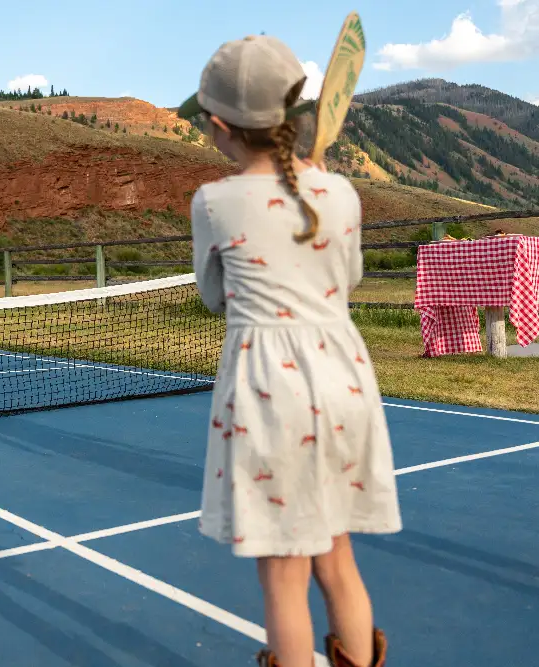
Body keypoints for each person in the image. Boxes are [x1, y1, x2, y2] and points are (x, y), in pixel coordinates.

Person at [177, 34, 402, 667]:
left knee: (283, 578)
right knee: (337, 559)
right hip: (344, 381)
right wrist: (325, 195)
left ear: (220, 126)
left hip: (268, 392)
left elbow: (216, 297)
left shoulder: (213, 202)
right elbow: (347, 279)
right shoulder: (342, 194)